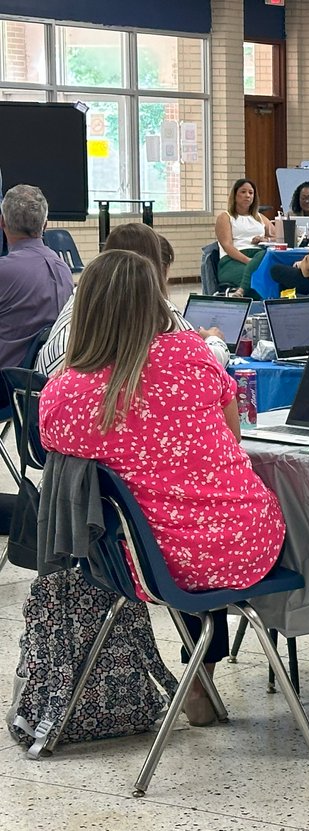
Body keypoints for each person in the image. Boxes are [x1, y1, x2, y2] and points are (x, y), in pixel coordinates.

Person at [39, 249, 287, 727]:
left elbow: (54, 448)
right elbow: (232, 433)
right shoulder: (194, 352)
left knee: (167, 530)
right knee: (199, 529)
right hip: (245, 542)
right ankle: (203, 676)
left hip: (143, 563)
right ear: (157, 300)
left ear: (86, 308)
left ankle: (189, 678)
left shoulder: (68, 393)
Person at [38, 224, 226, 376]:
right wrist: (213, 340)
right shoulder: (156, 307)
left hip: (40, 399)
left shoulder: (83, 295)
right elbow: (204, 363)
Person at [0, 184, 72, 368]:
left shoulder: (5, 271)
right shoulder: (63, 269)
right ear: (45, 225)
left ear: (2, 222)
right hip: (44, 379)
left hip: (6, 384)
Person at [214, 178, 273, 292]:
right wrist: (248, 261)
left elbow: (278, 238)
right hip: (233, 260)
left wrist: (264, 239)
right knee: (258, 278)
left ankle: (242, 291)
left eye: (251, 193)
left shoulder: (259, 217)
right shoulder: (225, 217)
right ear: (235, 195)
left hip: (259, 256)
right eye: (243, 192)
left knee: (270, 268)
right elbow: (227, 246)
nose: (247, 195)